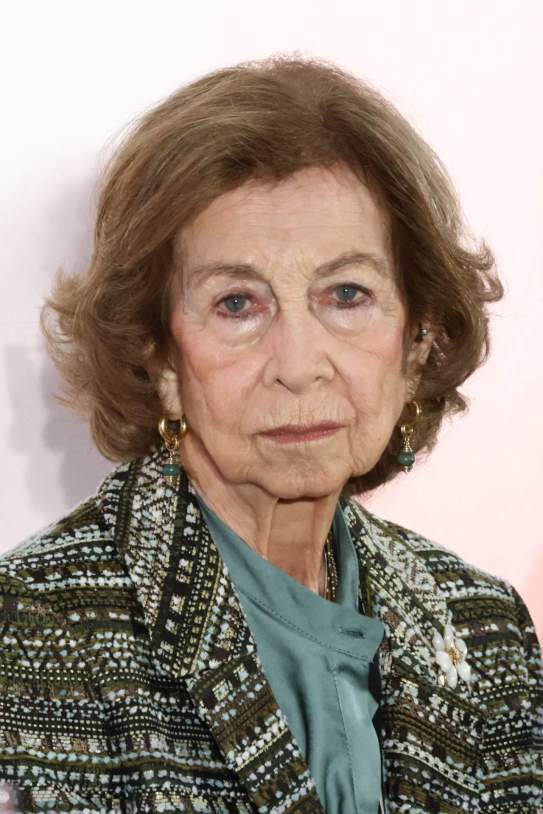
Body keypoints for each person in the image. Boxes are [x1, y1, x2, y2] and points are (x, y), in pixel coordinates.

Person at [0, 54, 540, 814]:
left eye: (346, 294)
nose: (298, 366)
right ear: (159, 357)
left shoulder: (486, 628)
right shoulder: (32, 630)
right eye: (237, 304)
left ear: (417, 340)